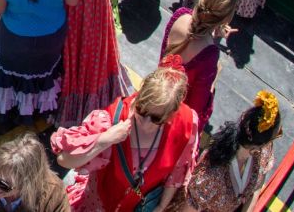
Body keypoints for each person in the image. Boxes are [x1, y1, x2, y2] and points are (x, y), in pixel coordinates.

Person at [51, 57, 200, 212]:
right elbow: (64, 159)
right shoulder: (110, 119)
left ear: (172, 115)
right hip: (99, 204)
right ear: (139, 96)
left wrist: (161, 206)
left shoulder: (187, 124)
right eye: (141, 110)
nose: (145, 122)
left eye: (156, 119)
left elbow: (178, 171)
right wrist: (104, 140)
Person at [169, 91, 281, 212]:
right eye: (277, 135)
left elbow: (256, 187)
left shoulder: (264, 151)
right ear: (257, 146)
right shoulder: (211, 176)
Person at [161, 0, 241, 132]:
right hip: (172, 122)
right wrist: (214, 78)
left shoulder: (179, 15)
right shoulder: (209, 55)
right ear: (226, 17)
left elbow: (193, 36)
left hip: (156, 96)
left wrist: (213, 32)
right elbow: (196, 110)